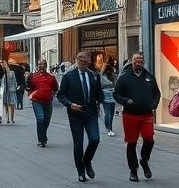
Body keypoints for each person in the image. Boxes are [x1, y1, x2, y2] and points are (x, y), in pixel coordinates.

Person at [114, 52, 161, 182]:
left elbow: (157, 93)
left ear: (143, 61)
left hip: (146, 115)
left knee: (149, 140)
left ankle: (144, 160)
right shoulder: (124, 77)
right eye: (136, 60)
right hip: (130, 115)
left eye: (140, 60)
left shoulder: (149, 77)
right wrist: (126, 101)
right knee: (132, 143)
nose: (138, 62)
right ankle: (133, 170)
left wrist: (154, 104)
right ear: (131, 61)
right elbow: (116, 94)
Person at [58, 52, 102, 183]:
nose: (83, 62)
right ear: (76, 60)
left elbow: (99, 93)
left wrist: (102, 101)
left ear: (89, 61)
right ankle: (81, 172)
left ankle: (87, 160)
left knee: (95, 139)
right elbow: (60, 95)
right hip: (75, 114)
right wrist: (70, 105)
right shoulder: (68, 76)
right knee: (78, 144)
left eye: (86, 60)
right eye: (80, 59)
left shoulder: (93, 75)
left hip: (91, 113)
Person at [27, 59, 59, 147]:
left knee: (47, 120)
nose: (42, 67)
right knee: (40, 118)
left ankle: (42, 135)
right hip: (36, 101)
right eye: (40, 65)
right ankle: (42, 140)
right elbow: (28, 88)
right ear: (38, 66)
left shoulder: (51, 77)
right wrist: (28, 82)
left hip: (48, 101)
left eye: (44, 65)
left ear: (46, 66)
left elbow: (55, 88)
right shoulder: (33, 77)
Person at [0, 60, 17, 125]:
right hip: (4, 91)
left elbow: (13, 80)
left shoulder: (11, 72)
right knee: (6, 105)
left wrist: (14, 88)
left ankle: (12, 118)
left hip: (11, 90)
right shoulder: (2, 73)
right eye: (2, 65)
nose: (3, 66)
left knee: (12, 105)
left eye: (4, 64)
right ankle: (8, 118)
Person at [100, 61, 117, 137]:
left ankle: (109, 128)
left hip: (107, 94)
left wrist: (102, 69)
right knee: (110, 113)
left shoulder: (105, 76)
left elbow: (99, 77)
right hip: (110, 94)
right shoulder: (111, 76)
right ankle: (109, 128)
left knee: (108, 113)